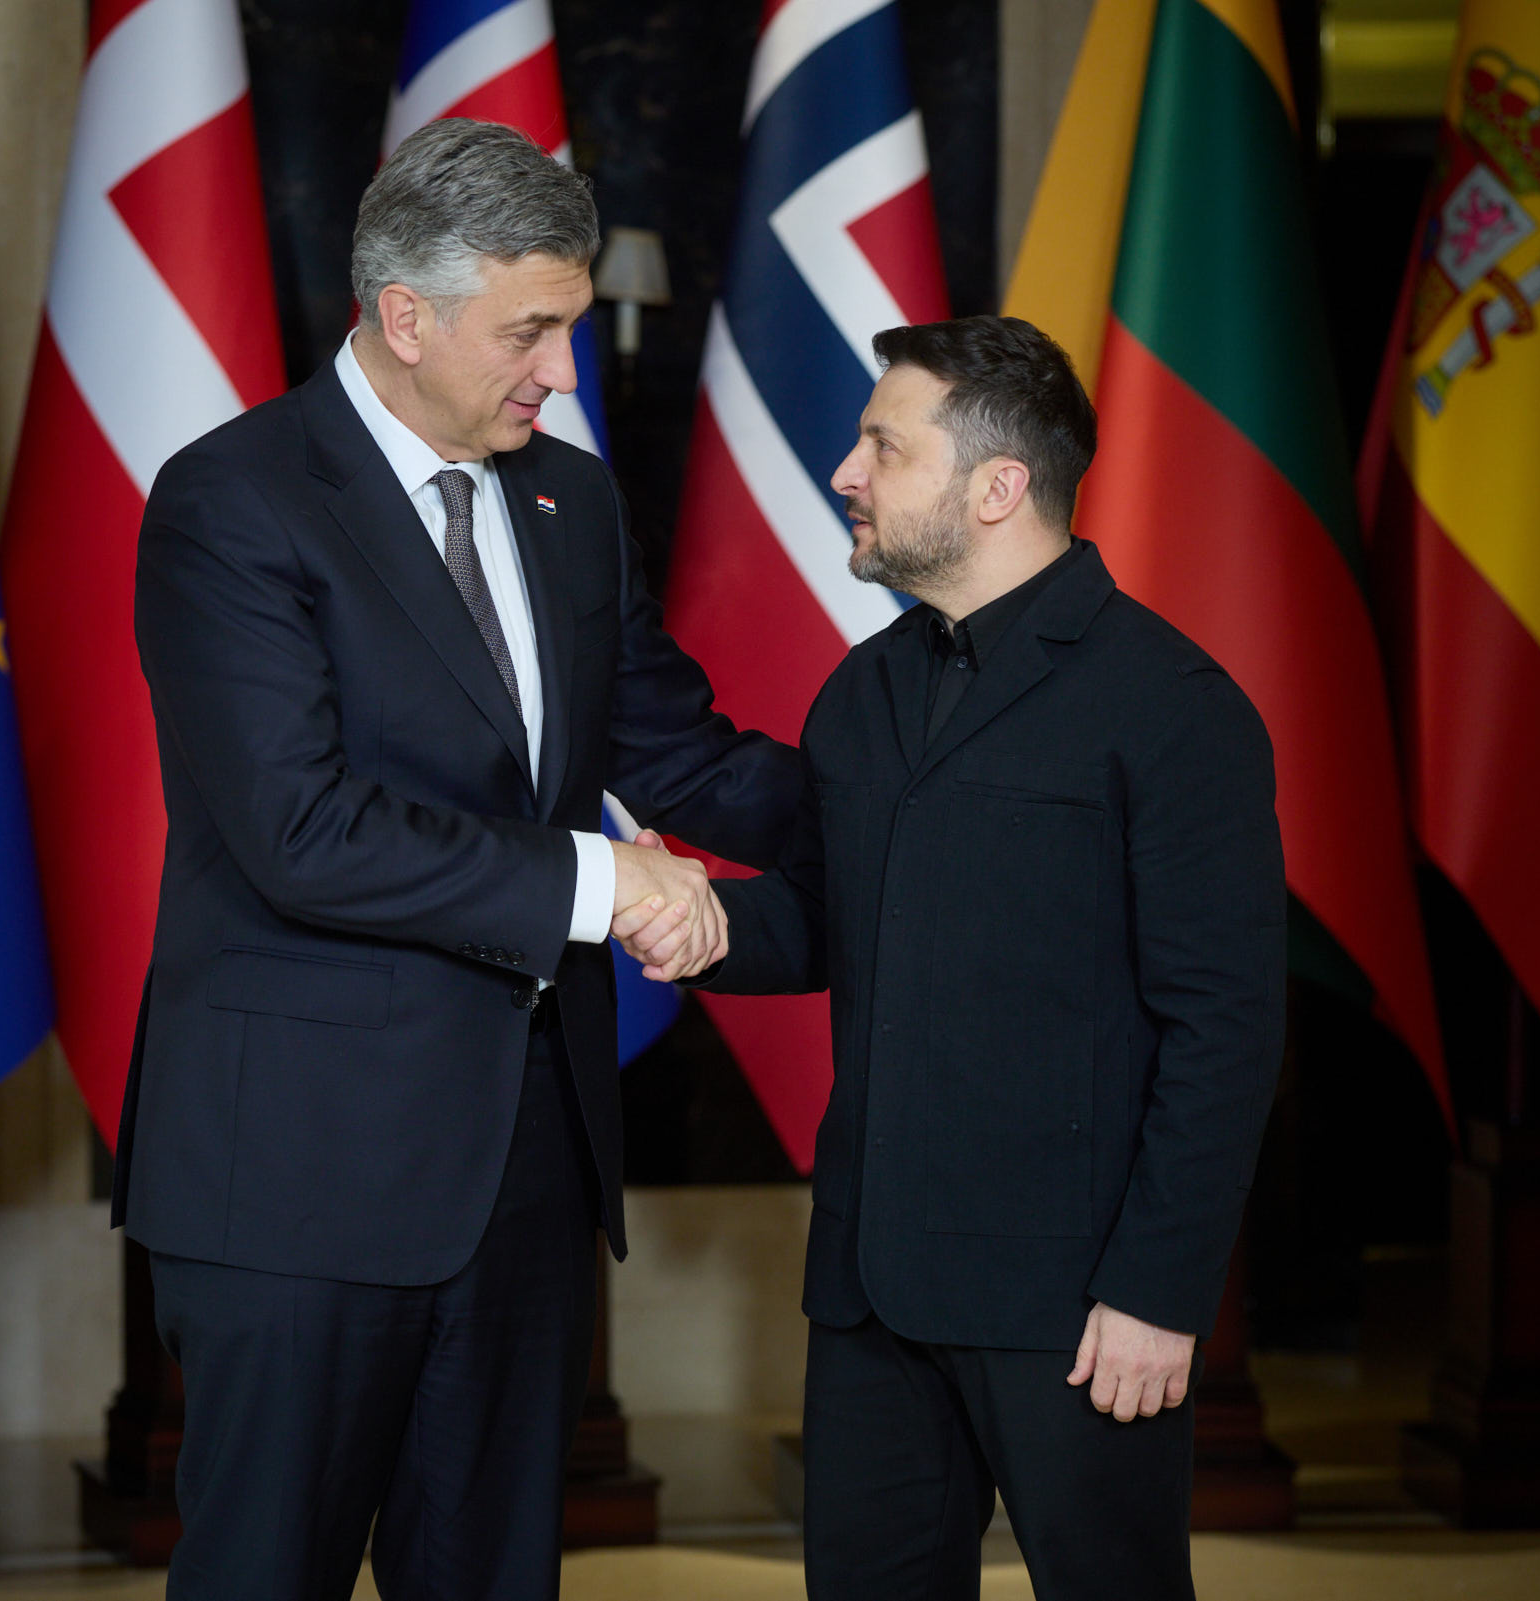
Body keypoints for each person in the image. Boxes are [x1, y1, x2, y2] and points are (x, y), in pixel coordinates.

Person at [116, 119, 799, 1601]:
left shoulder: (570, 501)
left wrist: (921, 814)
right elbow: (302, 831)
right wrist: (602, 883)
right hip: (298, 1179)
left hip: (527, 1172)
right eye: (530, 331)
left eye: (568, 325)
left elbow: (676, 753)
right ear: (405, 315)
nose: (561, 369)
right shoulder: (235, 500)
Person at [618, 315, 1287, 1601]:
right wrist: (701, 925)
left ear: (997, 486)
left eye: (884, 445)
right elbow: (831, 917)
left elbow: (1227, 1027)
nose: (846, 470)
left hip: (1077, 1306)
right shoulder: (863, 690)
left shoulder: (1174, 706)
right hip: (869, 1296)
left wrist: (1159, 1291)